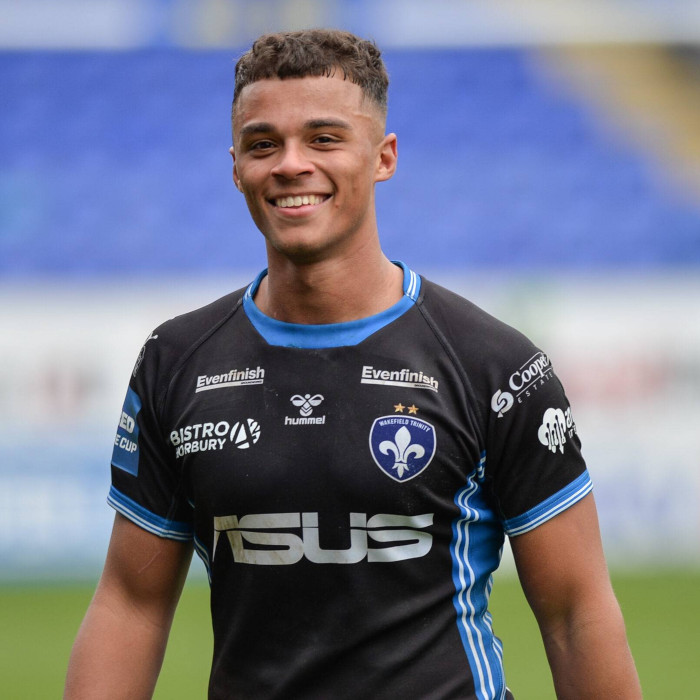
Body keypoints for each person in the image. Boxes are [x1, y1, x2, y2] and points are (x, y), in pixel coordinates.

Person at [65, 28, 641, 700]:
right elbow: (129, 604)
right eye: (263, 144)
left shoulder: (495, 366)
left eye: (324, 139)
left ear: (382, 157)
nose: (290, 165)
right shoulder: (177, 361)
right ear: (236, 167)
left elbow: (577, 613)